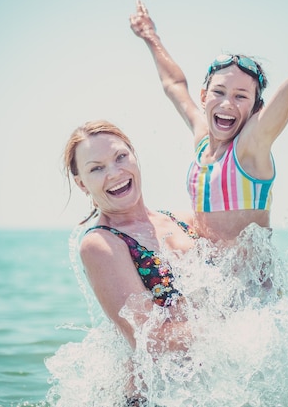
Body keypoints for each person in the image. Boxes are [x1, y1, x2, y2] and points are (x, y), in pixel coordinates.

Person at [130, 0, 288, 243]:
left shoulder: (249, 148)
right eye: (219, 91)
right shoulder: (202, 139)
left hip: (251, 284)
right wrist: (150, 36)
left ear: (257, 108)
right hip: (210, 280)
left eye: (240, 96)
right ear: (204, 96)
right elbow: (174, 85)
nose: (227, 103)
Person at [62, 120, 198, 405]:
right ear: (82, 184)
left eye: (120, 157)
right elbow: (151, 341)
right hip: (149, 398)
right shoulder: (101, 244)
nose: (114, 173)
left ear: (134, 156)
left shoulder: (184, 221)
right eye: (96, 168)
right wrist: (236, 329)